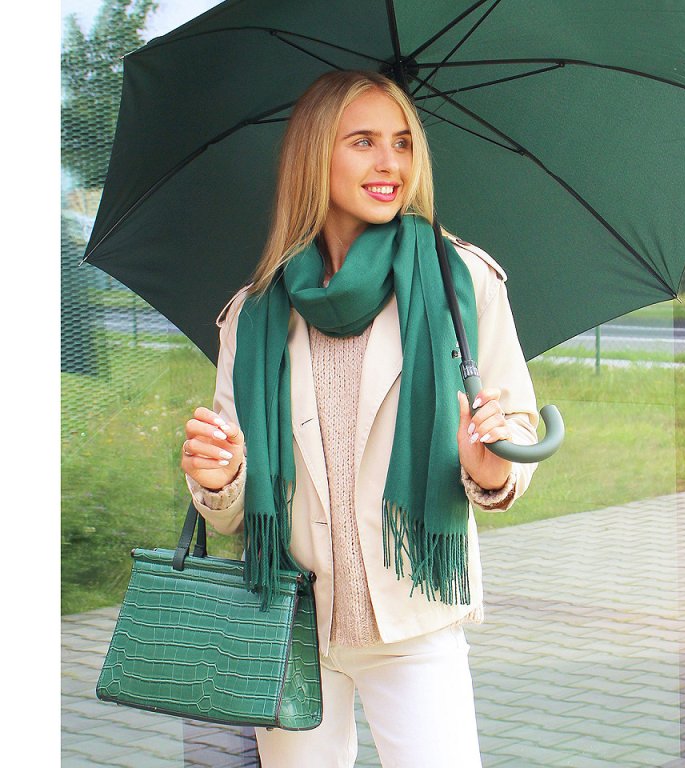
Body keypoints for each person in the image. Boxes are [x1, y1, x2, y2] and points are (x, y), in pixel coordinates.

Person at [180, 70, 540, 768]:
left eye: (403, 143)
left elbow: (516, 429)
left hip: (414, 615)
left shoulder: (460, 280)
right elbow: (232, 504)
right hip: (289, 623)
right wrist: (218, 479)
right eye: (364, 141)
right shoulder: (254, 312)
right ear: (315, 156)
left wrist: (491, 465)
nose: (390, 163)